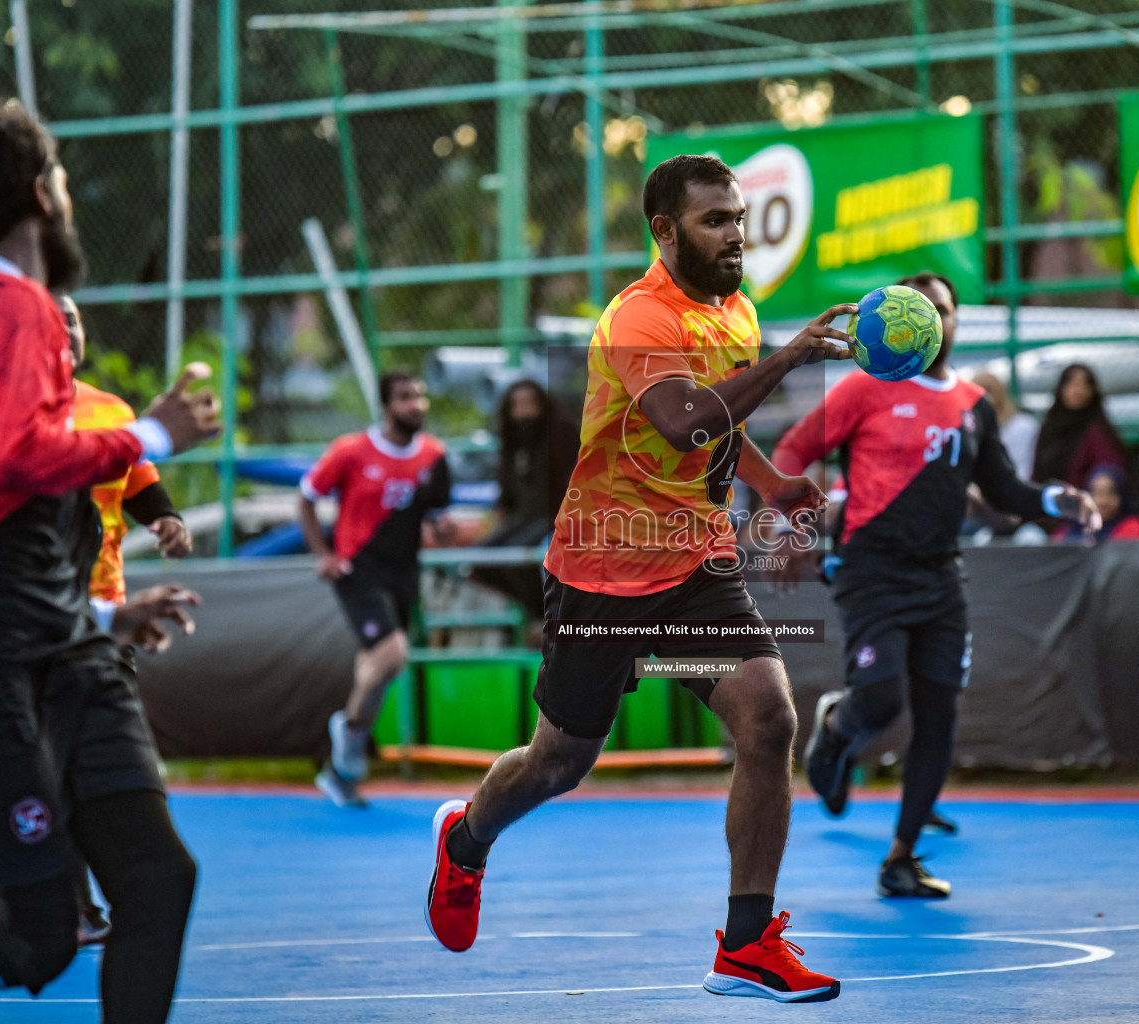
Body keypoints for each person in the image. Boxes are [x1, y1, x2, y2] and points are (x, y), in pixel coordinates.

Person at [422, 154, 853, 1003]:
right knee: (560, 763)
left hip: (694, 564)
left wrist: (768, 485)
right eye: (715, 221)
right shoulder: (635, 319)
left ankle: (747, 944)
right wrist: (793, 359)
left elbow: (721, 419)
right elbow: (686, 420)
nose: (735, 234)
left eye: (738, 217)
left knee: (768, 721)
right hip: (601, 573)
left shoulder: (734, 311)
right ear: (665, 231)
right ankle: (465, 841)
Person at [0, 100, 219, 1021]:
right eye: (58, 173)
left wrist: (97, 616)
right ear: (41, 193)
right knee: (39, 935)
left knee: (157, 880)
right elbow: (12, 460)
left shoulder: (3, 316)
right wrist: (148, 432)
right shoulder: (6, 305)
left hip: (62, 649)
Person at [773, 272, 1098, 899]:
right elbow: (792, 449)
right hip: (870, 570)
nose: (933, 323)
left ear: (956, 320)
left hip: (940, 575)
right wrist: (792, 529)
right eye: (920, 311)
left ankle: (901, 857)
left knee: (940, 714)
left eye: (943, 311)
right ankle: (838, 727)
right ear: (893, 323)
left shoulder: (973, 404)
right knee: (882, 698)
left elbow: (1006, 491)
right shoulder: (864, 389)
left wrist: (1061, 499)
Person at [61, 291, 194, 945]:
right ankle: (65, 900)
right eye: (50, 320)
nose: (64, 329)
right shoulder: (1, 413)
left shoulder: (109, 411)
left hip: (106, 610)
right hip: (32, 620)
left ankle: (109, 891)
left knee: (112, 759)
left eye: (73, 319)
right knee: (49, 760)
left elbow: (137, 479)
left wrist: (166, 518)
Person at [298, 372, 454, 808]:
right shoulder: (350, 451)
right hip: (357, 569)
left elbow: (434, 513)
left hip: (404, 574)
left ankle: (340, 770)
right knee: (392, 655)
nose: (416, 404)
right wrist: (322, 555)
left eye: (420, 395)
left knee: (377, 671)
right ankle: (347, 736)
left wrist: (441, 528)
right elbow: (307, 497)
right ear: (386, 406)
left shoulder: (434, 457)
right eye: (405, 397)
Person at [471, 380, 581, 621]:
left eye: (530, 404)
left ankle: (544, 616)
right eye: (517, 405)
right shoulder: (512, 442)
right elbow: (508, 494)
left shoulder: (560, 433)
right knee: (479, 561)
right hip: (524, 518)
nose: (524, 412)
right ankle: (537, 613)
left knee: (517, 559)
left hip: (555, 516)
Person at [1031, 363, 1127, 490]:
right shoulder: (1049, 429)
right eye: (1071, 383)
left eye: (1084, 384)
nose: (1078, 390)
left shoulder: (1097, 431)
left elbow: (1108, 476)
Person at [1057, 463, 1139, 543]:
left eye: (1111, 493)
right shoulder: (1068, 531)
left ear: (1123, 496)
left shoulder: (1135, 529)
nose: (1103, 501)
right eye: (1096, 494)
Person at [971, 370, 1038, 483]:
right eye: (976, 392)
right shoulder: (969, 429)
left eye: (988, 390)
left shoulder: (1022, 426)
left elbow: (1023, 470)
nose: (984, 397)